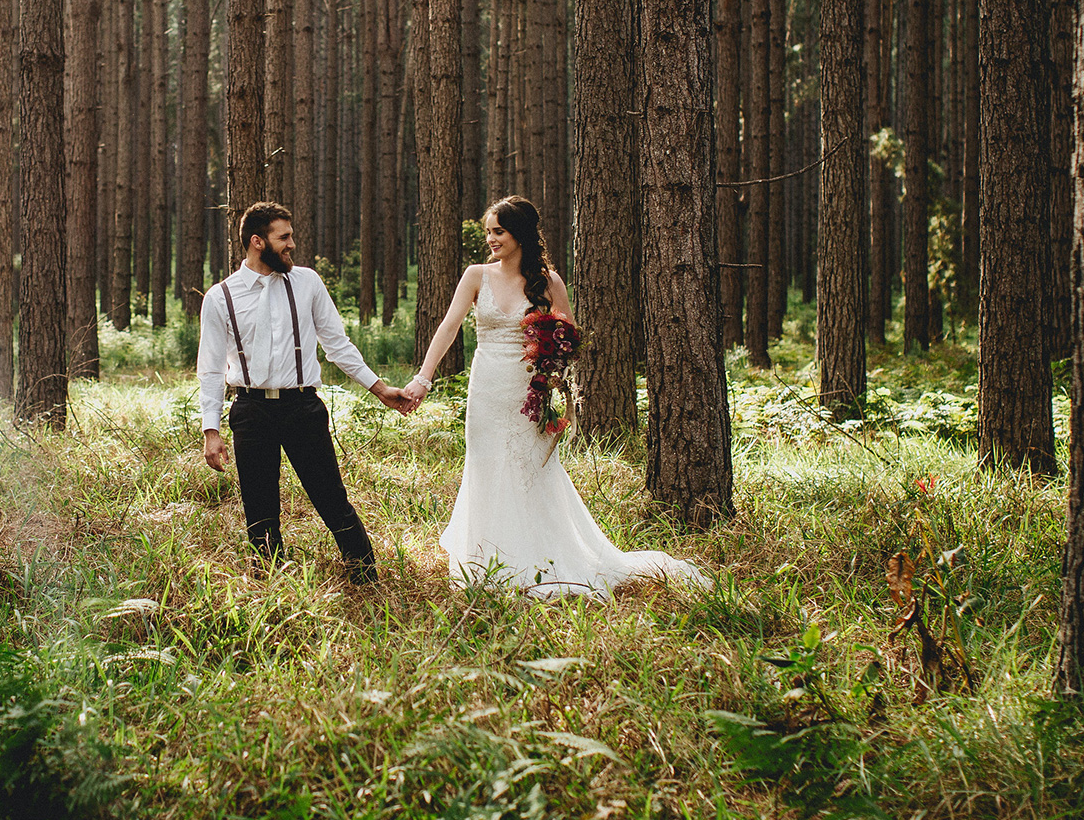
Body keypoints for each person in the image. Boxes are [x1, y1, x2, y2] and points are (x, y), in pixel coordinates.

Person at [405, 196, 710, 598]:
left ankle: (539, 559)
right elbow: (447, 327)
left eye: (499, 231)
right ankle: (486, 558)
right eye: (488, 232)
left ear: (521, 233)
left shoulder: (548, 282)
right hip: (487, 389)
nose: (492, 239)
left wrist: (551, 366)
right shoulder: (476, 275)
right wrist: (423, 380)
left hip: (529, 389)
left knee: (529, 469)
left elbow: (568, 335)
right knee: (487, 465)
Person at [198, 202, 418, 583]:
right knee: (260, 510)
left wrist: (379, 388)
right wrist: (211, 430)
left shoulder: (308, 283)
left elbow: (337, 345)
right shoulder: (220, 297)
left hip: (303, 407)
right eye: (283, 237)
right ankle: (271, 589)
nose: (292, 245)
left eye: (291, 236)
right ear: (256, 242)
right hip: (250, 410)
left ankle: (366, 580)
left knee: (332, 499)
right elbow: (211, 368)